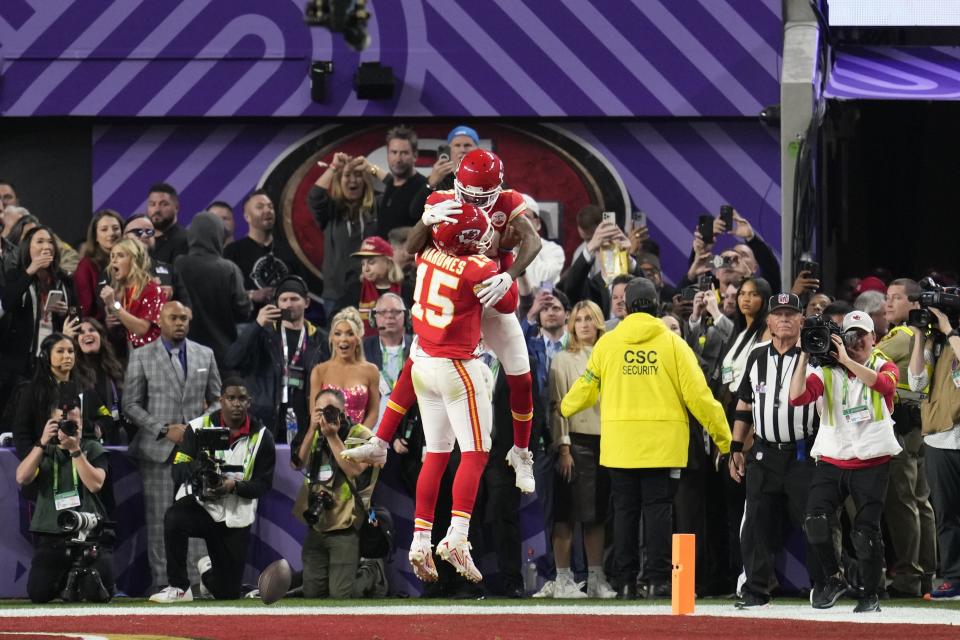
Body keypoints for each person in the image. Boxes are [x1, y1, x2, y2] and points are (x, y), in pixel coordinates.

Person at [351, 149, 542, 495]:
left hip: (490, 291)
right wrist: (425, 220)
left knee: (522, 377)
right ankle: (381, 440)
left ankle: (521, 451)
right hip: (453, 301)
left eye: (484, 197)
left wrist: (509, 274)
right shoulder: (441, 199)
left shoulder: (508, 202)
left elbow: (533, 240)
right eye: (470, 194)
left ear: (497, 188)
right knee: (415, 363)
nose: (475, 201)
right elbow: (409, 248)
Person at [560, 277, 731, 599]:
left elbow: (585, 387)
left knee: (624, 512)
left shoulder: (607, 345)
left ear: (625, 306)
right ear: (654, 305)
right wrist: (725, 440)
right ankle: (658, 581)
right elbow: (700, 397)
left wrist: (565, 407)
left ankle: (625, 583)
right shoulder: (673, 345)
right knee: (658, 511)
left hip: (620, 445)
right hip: (663, 446)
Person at [400, 204, 518, 585]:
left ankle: (420, 539)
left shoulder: (427, 252)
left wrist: (428, 222)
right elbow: (509, 303)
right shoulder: (478, 268)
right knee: (476, 452)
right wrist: (506, 270)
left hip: (423, 364)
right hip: (456, 366)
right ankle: (457, 537)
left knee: (435, 454)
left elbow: (412, 244)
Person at [790, 310, 901, 613]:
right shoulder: (826, 369)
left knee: (866, 532)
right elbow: (796, 397)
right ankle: (833, 578)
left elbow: (886, 386)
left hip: (872, 460)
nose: (854, 342)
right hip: (832, 457)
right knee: (815, 520)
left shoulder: (883, 364)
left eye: (860, 336)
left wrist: (847, 361)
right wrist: (804, 354)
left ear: (873, 338)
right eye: (848, 337)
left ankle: (870, 593)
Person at [728, 294, 824, 609]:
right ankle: (756, 589)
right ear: (768, 322)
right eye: (778, 314)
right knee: (756, 522)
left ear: (802, 320)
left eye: (790, 314)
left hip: (802, 453)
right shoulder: (756, 357)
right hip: (764, 454)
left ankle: (823, 585)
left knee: (814, 521)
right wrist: (736, 447)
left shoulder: (815, 355)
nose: (784, 319)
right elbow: (744, 403)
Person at [122, 301, 221, 593]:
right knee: (158, 521)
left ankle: (199, 583)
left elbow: (217, 399)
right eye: (173, 317)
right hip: (157, 452)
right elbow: (129, 404)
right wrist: (164, 430)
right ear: (159, 320)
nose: (179, 322)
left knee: (198, 517)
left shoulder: (205, 354)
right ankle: (164, 583)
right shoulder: (141, 356)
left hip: (196, 451)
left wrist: (195, 427)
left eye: (184, 318)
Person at [149, 377, 276, 602]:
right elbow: (177, 470)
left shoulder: (262, 437)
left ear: (249, 402)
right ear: (221, 400)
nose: (236, 404)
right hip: (201, 506)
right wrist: (198, 466)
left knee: (227, 593)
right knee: (174, 518)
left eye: (242, 399)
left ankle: (208, 573)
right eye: (231, 398)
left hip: (235, 513)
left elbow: (264, 485)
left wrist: (233, 486)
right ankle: (179, 587)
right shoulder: (198, 428)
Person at [546, 300, 616, 599]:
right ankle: (563, 579)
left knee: (597, 515)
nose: (584, 324)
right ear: (571, 325)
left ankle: (596, 579)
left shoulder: (611, 355)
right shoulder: (562, 359)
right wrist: (563, 447)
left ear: (599, 322)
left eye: (590, 318)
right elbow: (556, 406)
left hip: (609, 443)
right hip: (574, 442)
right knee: (566, 514)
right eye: (578, 319)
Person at [15, 397, 113, 603]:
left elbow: (96, 484)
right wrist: (41, 442)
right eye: (62, 422)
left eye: (73, 423)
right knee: (38, 593)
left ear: (82, 424)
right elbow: (22, 477)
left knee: (95, 593)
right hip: (53, 538)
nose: (67, 426)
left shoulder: (92, 447)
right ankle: (65, 583)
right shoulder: (44, 451)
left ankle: (77, 584)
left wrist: (75, 450)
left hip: (89, 536)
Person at [876, 278, 936, 598]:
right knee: (921, 501)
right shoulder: (926, 334)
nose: (888, 303)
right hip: (921, 423)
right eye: (887, 297)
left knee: (902, 502)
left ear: (914, 304)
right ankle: (927, 574)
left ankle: (908, 579)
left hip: (902, 425)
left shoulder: (901, 336)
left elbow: (865, 359)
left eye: (896, 298)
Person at [295, 388, 385, 598]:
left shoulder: (362, 435)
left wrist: (332, 436)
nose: (324, 416)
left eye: (330, 410)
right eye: (319, 411)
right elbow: (296, 464)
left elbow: (354, 470)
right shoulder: (312, 432)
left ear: (344, 411)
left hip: (347, 523)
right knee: (313, 595)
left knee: (340, 597)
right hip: (317, 520)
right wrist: (311, 430)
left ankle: (371, 571)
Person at [225, 275, 329, 444]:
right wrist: (257, 324)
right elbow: (231, 360)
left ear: (307, 302)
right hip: (265, 420)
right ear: (277, 304)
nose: (289, 304)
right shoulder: (262, 334)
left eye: (294, 298)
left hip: (306, 421)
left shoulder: (320, 339)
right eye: (284, 299)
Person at [908, 305, 960, 600]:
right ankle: (953, 577)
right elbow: (916, 383)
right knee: (946, 514)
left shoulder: (952, 338)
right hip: (940, 439)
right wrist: (919, 336)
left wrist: (950, 330)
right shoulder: (935, 344)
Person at [0, 226, 75, 411]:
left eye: (50, 242)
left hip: (52, 362)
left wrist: (65, 312)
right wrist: (30, 271)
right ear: (28, 248)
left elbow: (77, 315)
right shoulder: (15, 275)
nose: (46, 246)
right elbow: (4, 305)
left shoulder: (64, 280)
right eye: (39, 241)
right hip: (18, 364)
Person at [8, 333, 113, 460]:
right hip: (45, 461)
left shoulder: (85, 389)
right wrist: (33, 461)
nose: (67, 356)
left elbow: (106, 418)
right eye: (60, 351)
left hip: (82, 459)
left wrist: (95, 428)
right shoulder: (32, 391)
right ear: (46, 356)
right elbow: (21, 433)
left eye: (70, 351)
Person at [174, 211, 252, 368]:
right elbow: (243, 311)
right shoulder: (229, 269)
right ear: (219, 236)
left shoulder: (178, 264)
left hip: (183, 354)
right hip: (221, 355)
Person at [307, 152, 379, 315]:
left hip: (372, 293)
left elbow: (400, 192)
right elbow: (315, 196)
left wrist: (371, 168)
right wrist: (333, 168)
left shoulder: (377, 207)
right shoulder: (331, 211)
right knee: (339, 340)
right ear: (339, 181)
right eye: (347, 175)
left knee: (372, 340)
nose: (353, 180)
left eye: (358, 175)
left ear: (366, 180)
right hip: (336, 295)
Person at [223, 190, 298, 310]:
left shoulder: (287, 249)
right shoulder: (232, 252)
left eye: (270, 207)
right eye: (260, 207)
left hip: (284, 322)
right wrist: (252, 295)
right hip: (249, 323)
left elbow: (299, 287)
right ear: (247, 217)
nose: (267, 210)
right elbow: (225, 293)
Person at [309, 307, 380, 430]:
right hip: (326, 440)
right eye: (338, 333)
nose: (343, 339)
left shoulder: (371, 371)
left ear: (358, 339)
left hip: (358, 443)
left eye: (350, 333)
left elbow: (373, 413)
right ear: (332, 338)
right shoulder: (319, 371)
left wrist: (357, 440)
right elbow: (314, 412)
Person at [65, 318, 127, 444]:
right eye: (81, 333)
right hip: (84, 441)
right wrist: (65, 340)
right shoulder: (71, 371)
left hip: (114, 439)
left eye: (92, 330)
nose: (87, 334)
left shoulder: (116, 369)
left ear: (101, 336)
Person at [336, 236, 408, 336]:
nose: (366, 269)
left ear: (388, 262)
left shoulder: (407, 290)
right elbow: (336, 318)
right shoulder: (355, 289)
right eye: (363, 264)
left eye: (371, 262)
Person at [101, 238, 165, 349]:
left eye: (120, 256)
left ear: (134, 260)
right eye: (112, 256)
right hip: (129, 353)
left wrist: (114, 306)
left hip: (152, 354)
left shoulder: (152, 290)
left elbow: (142, 329)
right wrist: (111, 323)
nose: (114, 261)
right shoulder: (119, 291)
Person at [409, 124, 480, 219]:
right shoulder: (440, 177)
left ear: (477, 149)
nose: (462, 150)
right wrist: (431, 184)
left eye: (467, 145)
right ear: (449, 150)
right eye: (457, 145)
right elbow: (415, 213)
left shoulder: (488, 176)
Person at [370, 125, 428, 237]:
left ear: (415, 156)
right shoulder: (391, 184)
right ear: (387, 155)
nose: (398, 159)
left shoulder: (423, 187)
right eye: (394, 152)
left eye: (404, 153)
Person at [362, 292, 411, 425]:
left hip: (407, 429)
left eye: (396, 312)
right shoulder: (361, 350)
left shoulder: (417, 348)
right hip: (371, 429)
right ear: (373, 318)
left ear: (406, 316)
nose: (390, 316)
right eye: (383, 312)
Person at [122, 214, 192, 307]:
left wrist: (170, 299)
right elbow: (108, 305)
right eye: (137, 232)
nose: (144, 235)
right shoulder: (112, 270)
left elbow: (186, 308)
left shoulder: (170, 270)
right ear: (124, 237)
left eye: (149, 231)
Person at [74, 209, 123, 322]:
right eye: (104, 229)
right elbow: (86, 310)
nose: (111, 233)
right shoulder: (86, 266)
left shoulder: (131, 261)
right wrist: (105, 320)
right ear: (95, 236)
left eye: (115, 228)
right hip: (101, 332)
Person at [147, 183, 189, 264]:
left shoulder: (185, 240)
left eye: (164, 204)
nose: (157, 209)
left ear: (176, 207)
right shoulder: (143, 240)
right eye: (152, 204)